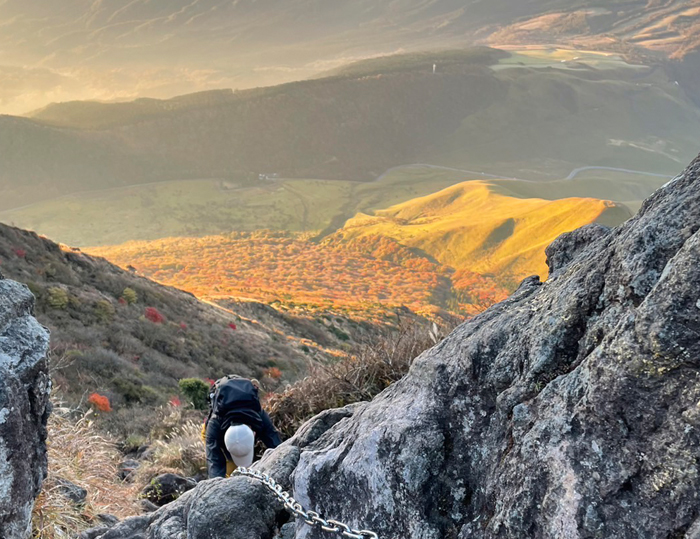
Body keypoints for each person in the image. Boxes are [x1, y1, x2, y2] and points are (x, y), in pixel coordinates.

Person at [204, 376, 282, 478]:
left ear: (254, 433)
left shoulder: (260, 417)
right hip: (219, 420)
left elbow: (277, 449)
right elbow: (214, 462)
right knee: (230, 471)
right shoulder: (214, 426)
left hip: (240, 408)